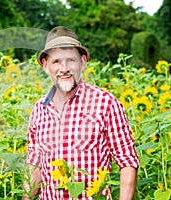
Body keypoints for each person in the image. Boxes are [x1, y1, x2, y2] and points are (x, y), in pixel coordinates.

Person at [23, 26, 139, 199]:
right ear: (46, 66)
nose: (64, 68)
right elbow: (34, 165)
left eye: (71, 60)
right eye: (56, 61)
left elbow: (127, 161)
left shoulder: (105, 103)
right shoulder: (40, 109)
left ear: (83, 62)